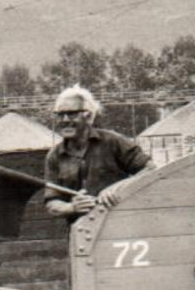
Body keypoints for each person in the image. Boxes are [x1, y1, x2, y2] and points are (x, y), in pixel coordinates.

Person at [43, 86, 151, 222]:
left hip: (122, 225)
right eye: (60, 114)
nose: (64, 120)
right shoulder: (54, 156)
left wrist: (117, 188)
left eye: (71, 114)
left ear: (88, 116)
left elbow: (150, 169)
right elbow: (51, 202)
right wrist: (72, 207)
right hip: (83, 234)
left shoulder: (113, 141)